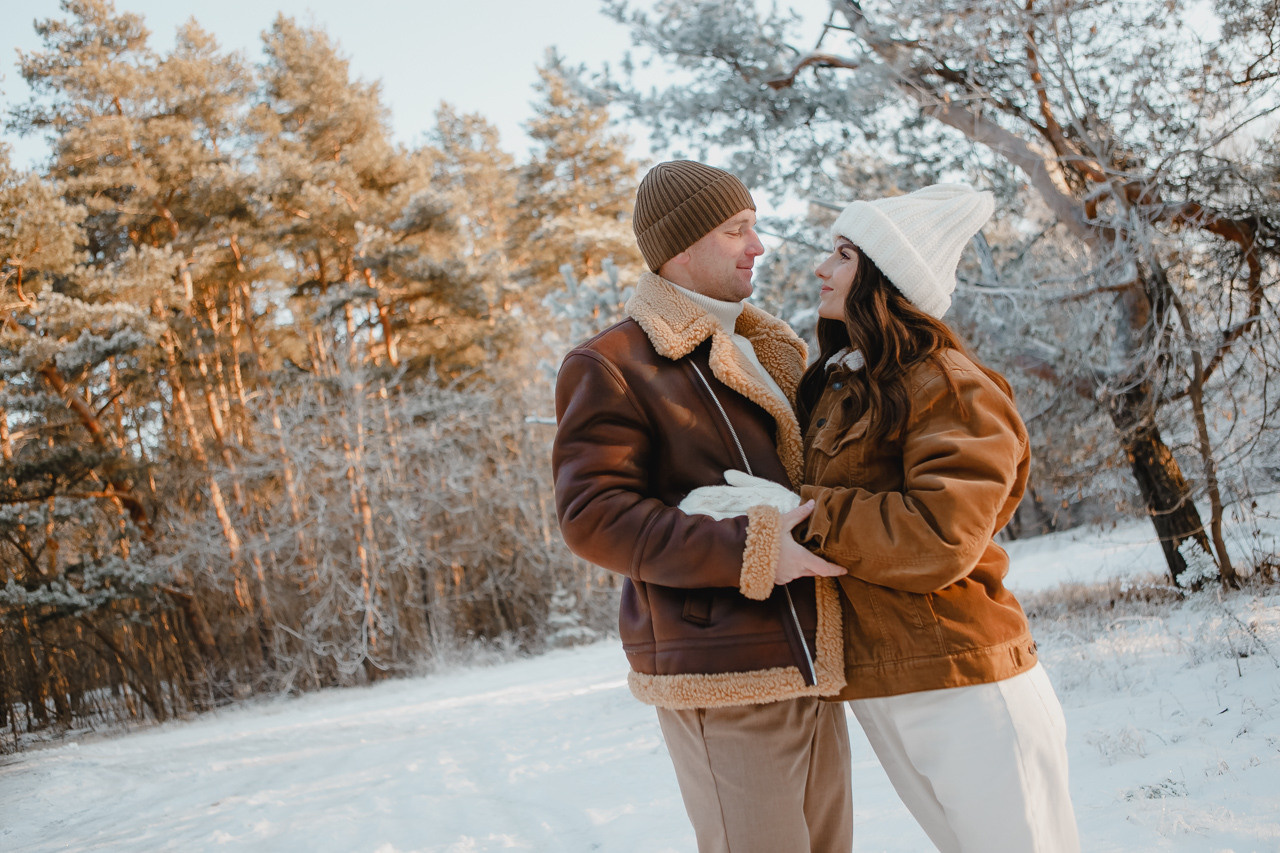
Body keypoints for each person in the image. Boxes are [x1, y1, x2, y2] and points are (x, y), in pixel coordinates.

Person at [682, 184, 1080, 852]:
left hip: (967, 682)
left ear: (885, 276)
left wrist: (800, 515)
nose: (821, 268)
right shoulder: (844, 387)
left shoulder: (950, 384)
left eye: (843, 254)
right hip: (885, 684)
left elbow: (941, 537)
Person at [551, 160, 853, 853]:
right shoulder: (614, 362)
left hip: (810, 665)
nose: (759, 245)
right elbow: (592, 516)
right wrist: (752, 549)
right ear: (680, 247)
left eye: (754, 225)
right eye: (735, 229)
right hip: (725, 679)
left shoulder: (766, 349)